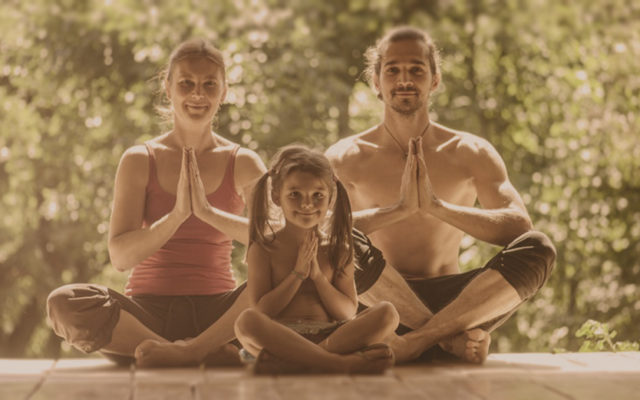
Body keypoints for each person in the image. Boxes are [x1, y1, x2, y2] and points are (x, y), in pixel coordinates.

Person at [325, 26, 557, 364]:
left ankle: (418, 341)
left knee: (540, 248)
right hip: (378, 304)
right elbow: (317, 232)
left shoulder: (470, 151)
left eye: (417, 69)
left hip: (459, 301)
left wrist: (437, 207)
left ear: (435, 80)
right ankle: (445, 339)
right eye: (393, 70)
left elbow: (519, 226)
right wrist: (400, 209)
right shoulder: (345, 157)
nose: (404, 79)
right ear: (376, 81)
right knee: (333, 242)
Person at [46, 38, 265, 365]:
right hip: (145, 316)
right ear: (168, 87)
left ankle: (185, 351)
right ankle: (188, 352)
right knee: (63, 302)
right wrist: (176, 216)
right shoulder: (138, 159)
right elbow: (120, 257)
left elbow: (280, 243)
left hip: (219, 316)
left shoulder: (244, 162)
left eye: (209, 85)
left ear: (225, 91)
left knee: (290, 275)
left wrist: (207, 212)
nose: (197, 94)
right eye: (186, 83)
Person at [233, 145, 398, 374]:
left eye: (317, 195)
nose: (307, 204)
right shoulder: (264, 249)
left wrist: (318, 277)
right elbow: (262, 311)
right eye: (295, 194)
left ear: (330, 198)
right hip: (281, 336)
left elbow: (347, 312)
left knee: (387, 313)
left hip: (332, 337)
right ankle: (339, 364)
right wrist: (297, 274)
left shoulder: (338, 248)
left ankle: (299, 361)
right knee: (247, 322)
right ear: (276, 196)